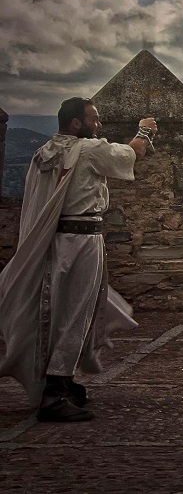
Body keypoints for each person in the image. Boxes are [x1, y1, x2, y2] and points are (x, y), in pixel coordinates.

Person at [0, 97, 152, 422]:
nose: (99, 126)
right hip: (82, 241)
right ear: (75, 124)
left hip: (56, 242)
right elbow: (131, 153)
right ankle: (54, 395)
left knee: (60, 312)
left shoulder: (45, 152)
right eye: (93, 119)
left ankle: (64, 383)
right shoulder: (87, 150)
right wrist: (146, 131)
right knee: (75, 314)